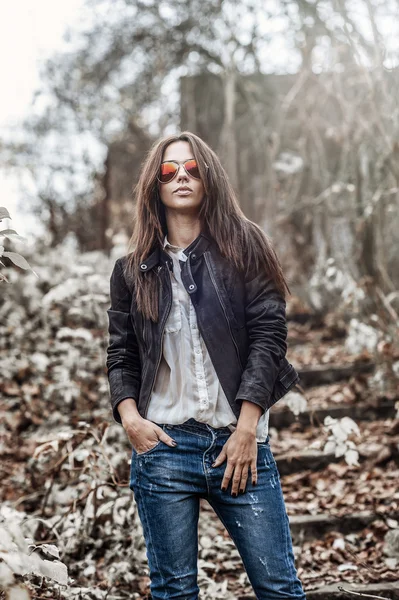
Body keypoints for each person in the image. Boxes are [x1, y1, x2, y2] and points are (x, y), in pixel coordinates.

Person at [106, 131, 307, 600]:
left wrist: (247, 428)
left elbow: (269, 337)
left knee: (279, 588)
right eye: (169, 170)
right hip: (164, 448)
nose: (181, 177)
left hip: (237, 444)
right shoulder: (131, 270)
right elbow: (121, 354)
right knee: (173, 592)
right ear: (154, 185)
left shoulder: (246, 245)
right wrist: (131, 419)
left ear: (209, 178)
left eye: (192, 169)